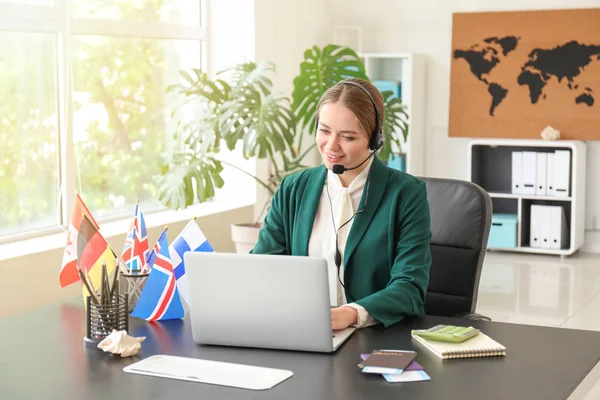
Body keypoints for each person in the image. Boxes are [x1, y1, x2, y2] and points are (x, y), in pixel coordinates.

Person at [251, 78, 431, 330]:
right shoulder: (293, 188)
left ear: (374, 140)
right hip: (302, 329)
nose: (331, 146)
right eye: (324, 131)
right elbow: (263, 264)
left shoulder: (405, 194)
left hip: (374, 335)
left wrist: (352, 313)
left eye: (347, 136)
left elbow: (410, 287)